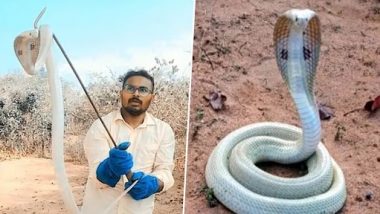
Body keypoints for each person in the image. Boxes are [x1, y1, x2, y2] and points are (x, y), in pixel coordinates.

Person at [81, 70, 176, 214]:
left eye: (143, 90)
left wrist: (154, 183)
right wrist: (108, 168)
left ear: (152, 97)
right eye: (130, 88)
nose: (136, 94)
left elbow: (165, 171)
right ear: (121, 93)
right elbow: (96, 173)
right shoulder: (100, 125)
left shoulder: (164, 130)